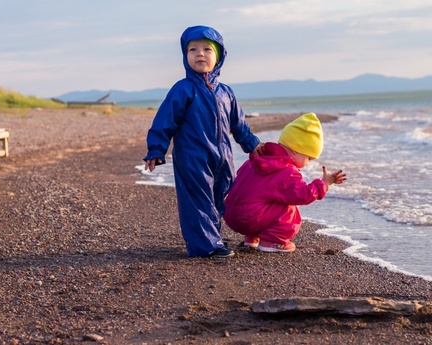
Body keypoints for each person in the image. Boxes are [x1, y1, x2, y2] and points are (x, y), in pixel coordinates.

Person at [144, 25, 263, 258]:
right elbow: (164, 120)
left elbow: (238, 123)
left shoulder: (226, 92)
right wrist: (156, 149)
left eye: (207, 49)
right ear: (185, 55)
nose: (200, 54)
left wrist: (252, 144)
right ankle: (205, 246)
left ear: (219, 56)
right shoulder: (183, 89)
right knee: (198, 199)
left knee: (220, 195)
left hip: (222, 156)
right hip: (192, 156)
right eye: (193, 49)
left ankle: (212, 236)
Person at [223, 112, 347, 253]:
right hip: (248, 219)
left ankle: (252, 238)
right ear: (296, 150)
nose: (307, 164)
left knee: (262, 200)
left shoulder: (256, 160)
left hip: (230, 215)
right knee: (289, 210)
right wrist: (324, 184)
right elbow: (303, 195)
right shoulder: (286, 171)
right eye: (309, 158)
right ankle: (272, 242)